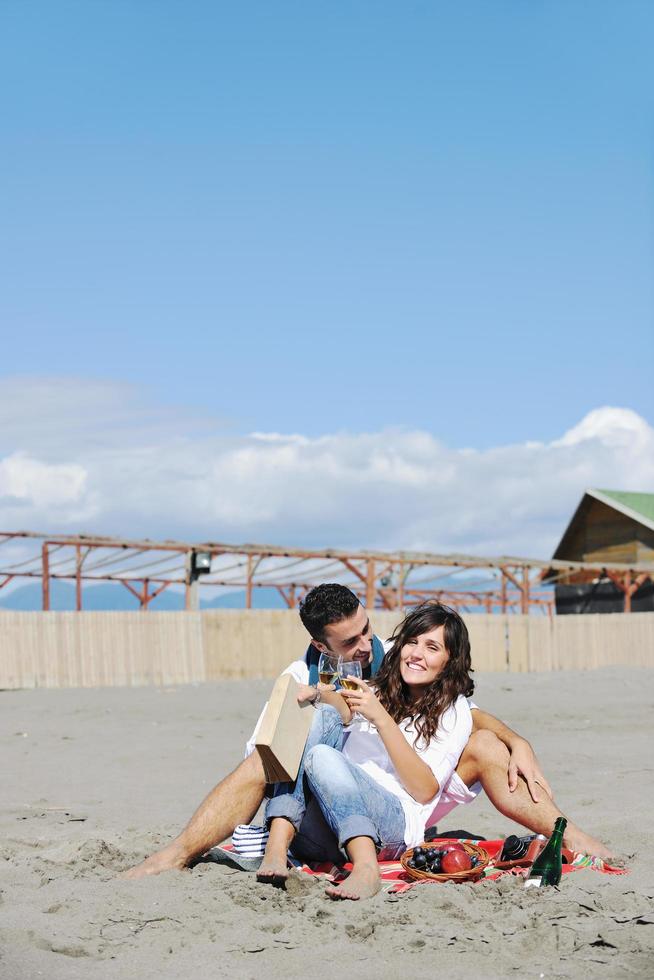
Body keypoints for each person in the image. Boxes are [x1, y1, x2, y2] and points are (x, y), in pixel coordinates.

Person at [123, 585, 609, 880]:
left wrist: (518, 740)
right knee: (307, 736)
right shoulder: (302, 674)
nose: (367, 645)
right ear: (320, 644)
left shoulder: (393, 653)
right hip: (324, 791)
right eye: (350, 640)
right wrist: (325, 705)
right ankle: (185, 852)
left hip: (405, 796)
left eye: (367, 629)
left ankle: (573, 835)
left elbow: (462, 707)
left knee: (485, 742)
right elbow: (270, 761)